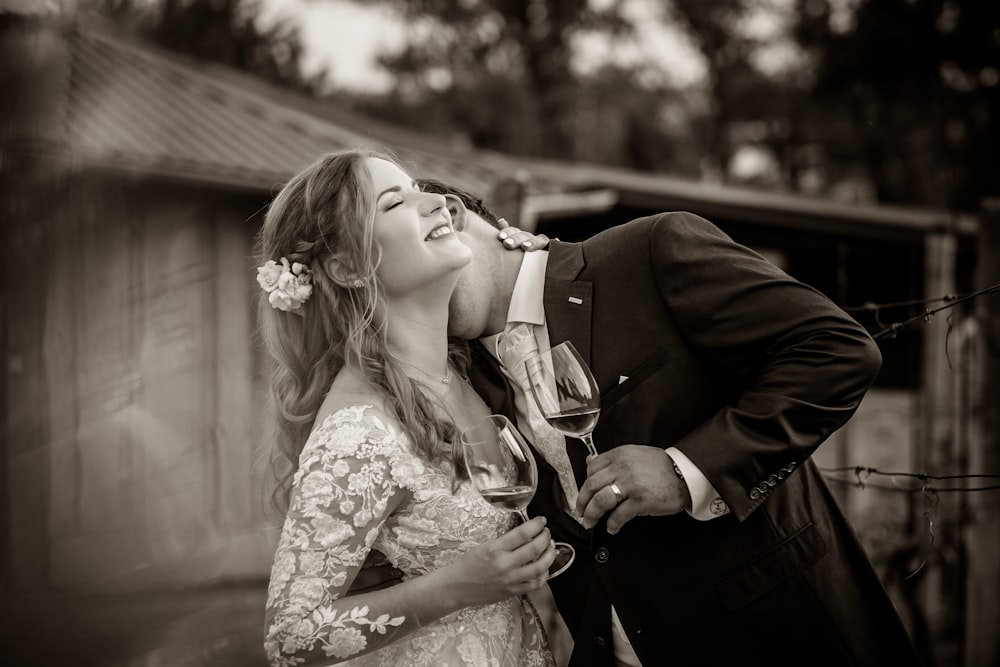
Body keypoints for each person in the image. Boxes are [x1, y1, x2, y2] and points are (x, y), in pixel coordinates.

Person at [416, 179, 925, 666]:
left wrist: (685, 470)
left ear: (451, 217)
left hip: (772, 634)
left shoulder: (652, 250)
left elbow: (837, 351)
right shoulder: (458, 374)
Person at [255, 148, 560, 666]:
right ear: (349, 267)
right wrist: (460, 586)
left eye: (423, 188)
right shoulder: (358, 430)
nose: (437, 202)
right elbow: (291, 635)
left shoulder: (470, 371)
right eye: (396, 203)